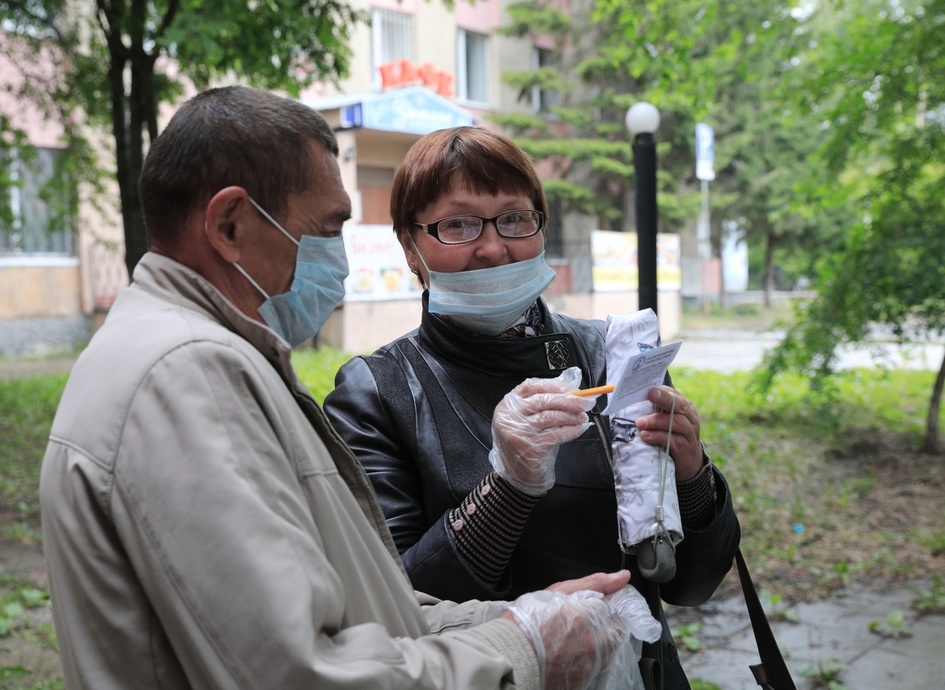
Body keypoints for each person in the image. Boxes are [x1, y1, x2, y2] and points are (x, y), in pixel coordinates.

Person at [39, 86, 641, 690]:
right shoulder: (187, 373)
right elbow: (295, 671)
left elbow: (364, 608)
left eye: (513, 219)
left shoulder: (174, 351)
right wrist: (524, 644)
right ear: (230, 225)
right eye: (326, 229)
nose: (340, 262)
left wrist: (521, 621)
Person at [323, 126, 742, 689]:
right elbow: (393, 604)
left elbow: (691, 584)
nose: (493, 247)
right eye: (458, 224)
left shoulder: (613, 357)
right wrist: (508, 486)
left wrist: (692, 477)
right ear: (409, 246)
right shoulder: (377, 393)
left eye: (514, 218)